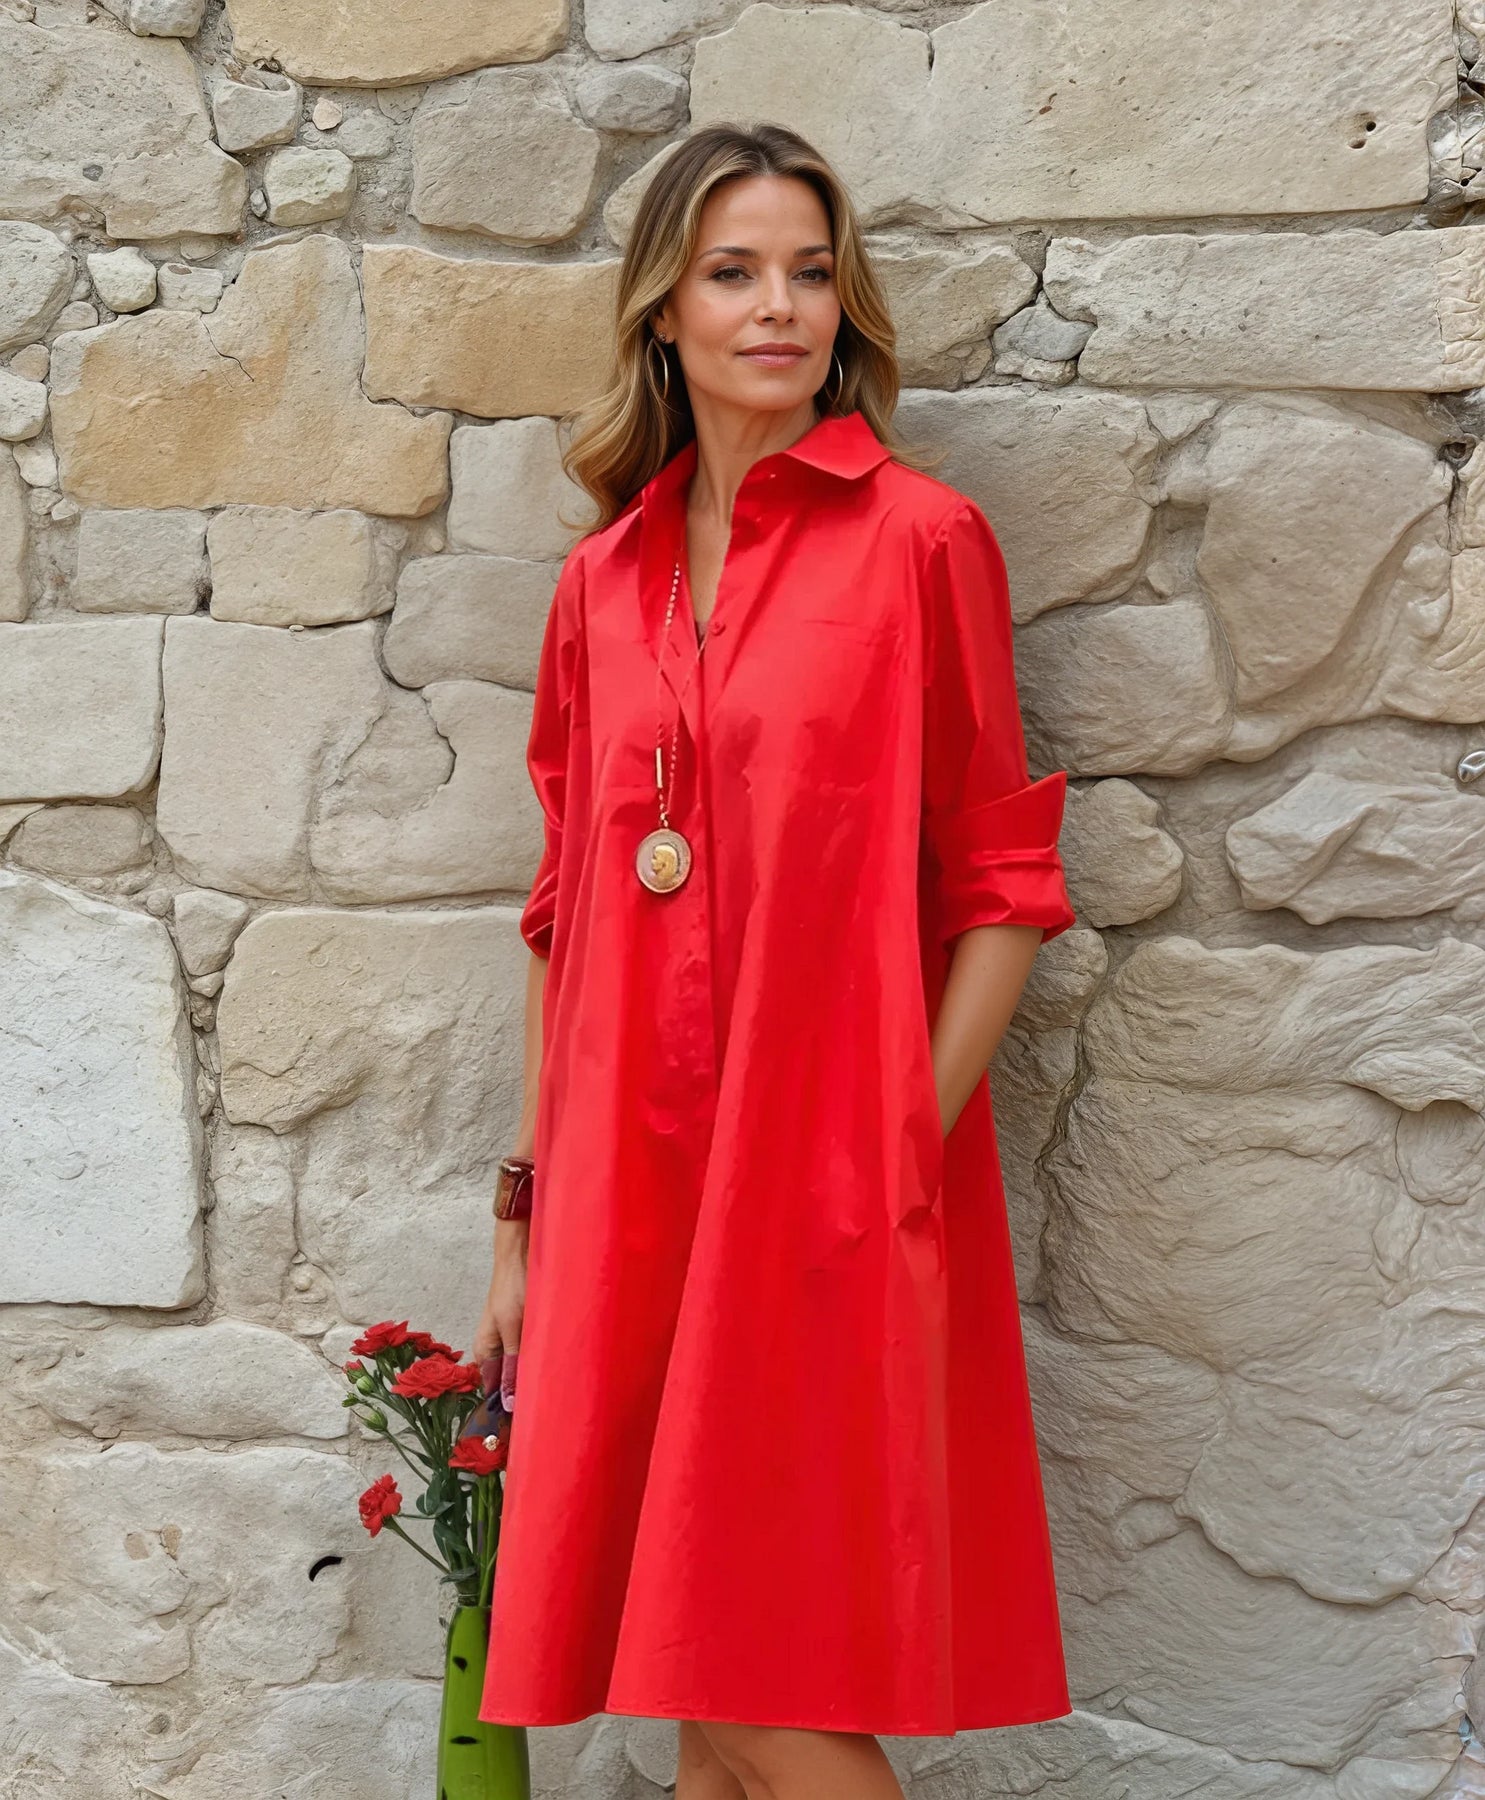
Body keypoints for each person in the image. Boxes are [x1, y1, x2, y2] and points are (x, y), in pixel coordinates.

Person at [471, 119, 1077, 1800]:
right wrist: (523, 1217)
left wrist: (894, 1141)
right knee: (697, 1703)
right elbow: (562, 915)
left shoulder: (921, 542)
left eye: (809, 273)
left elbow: (1003, 884)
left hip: (820, 1176)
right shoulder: (599, 585)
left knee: (742, 1672)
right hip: (619, 1180)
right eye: (732, 272)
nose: (777, 308)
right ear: (662, 311)